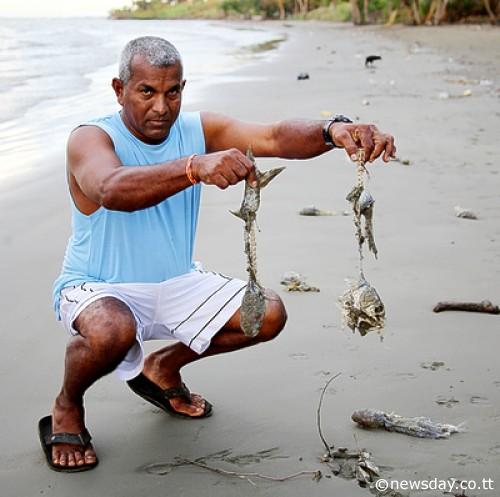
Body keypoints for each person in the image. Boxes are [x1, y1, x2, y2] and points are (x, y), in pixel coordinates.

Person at [40, 36, 396, 472]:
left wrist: (334, 131)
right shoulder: (90, 137)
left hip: (177, 281)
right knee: (113, 330)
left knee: (266, 314)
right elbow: (109, 189)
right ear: (119, 89)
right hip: (95, 288)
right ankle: (67, 405)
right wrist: (193, 167)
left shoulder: (195, 128)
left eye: (172, 92)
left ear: (183, 88)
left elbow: (272, 136)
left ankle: (162, 366)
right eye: (146, 91)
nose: (161, 107)